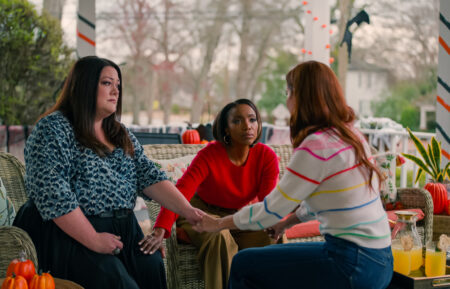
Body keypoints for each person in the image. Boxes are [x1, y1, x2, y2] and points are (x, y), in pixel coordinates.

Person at [193, 61, 393, 289]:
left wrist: (218, 224)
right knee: (272, 258)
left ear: (300, 97)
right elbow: (329, 200)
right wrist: (288, 223)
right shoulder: (350, 135)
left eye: (288, 93)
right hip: (380, 260)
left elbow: (269, 211)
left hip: (350, 264)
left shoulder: (316, 146)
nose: (287, 101)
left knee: (244, 264)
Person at [13, 56, 204, 289]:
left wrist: (189, 211)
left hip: (123, 228)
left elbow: (150, 177)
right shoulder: (53, 129)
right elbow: (54, 196)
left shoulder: (119, 132)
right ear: (84, 85)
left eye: (118, 85)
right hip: (68, 233)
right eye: (106, 83)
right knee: (118, 282)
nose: (115, 90)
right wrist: (93, 239)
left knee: (152, 267)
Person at [140, 99, 280, 289]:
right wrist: (160, 229)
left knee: (269, 236)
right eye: (237, 121)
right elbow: (182, 191)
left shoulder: (266, 156)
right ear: (226, 129)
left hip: (240, 214)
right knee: (219, 235)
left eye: (252, 119)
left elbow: (269, 202)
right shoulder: (210, 154)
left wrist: (277, 222)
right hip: (200, 213)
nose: (247, 126)